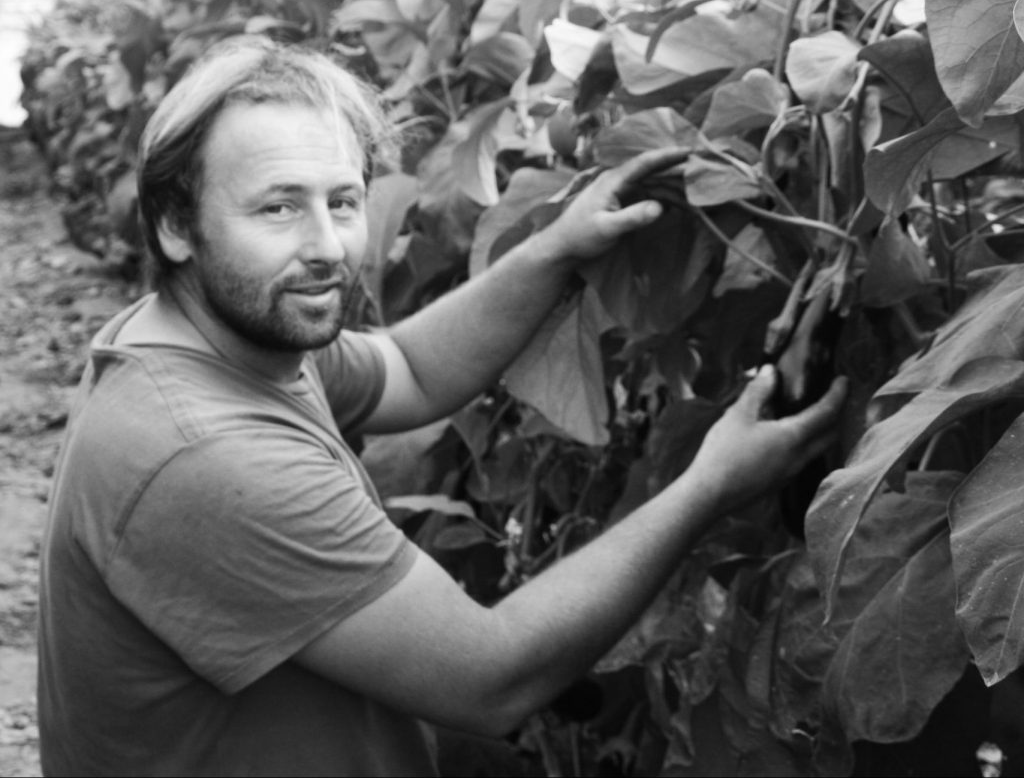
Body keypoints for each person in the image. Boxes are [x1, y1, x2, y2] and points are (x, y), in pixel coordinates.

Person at [36, 38, 846, 776]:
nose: (327, 247)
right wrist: (710, 485)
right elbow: (494, 677)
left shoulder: (213, 338)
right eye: (277, 207)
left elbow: (409, 368)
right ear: (175, 226)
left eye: (343, 201)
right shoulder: (204, 454)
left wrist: (556, 247)